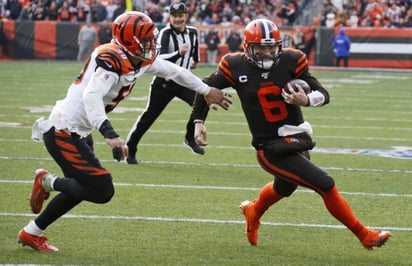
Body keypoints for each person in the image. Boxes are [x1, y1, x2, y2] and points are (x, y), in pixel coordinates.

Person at [17, 11, 231, 252]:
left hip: (81, 130)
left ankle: (31, 232)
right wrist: (110, 134)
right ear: (130, 40)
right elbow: (92, 96)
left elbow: (175, 71)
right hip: (64, 130)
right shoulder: (111, 57)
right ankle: (47, 181)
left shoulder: (139, 58)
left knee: (84, 186)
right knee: (101, 189)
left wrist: (204, 89)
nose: (152, 44)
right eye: (147, 39)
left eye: (153, 38)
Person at [189, 19, 391, 250]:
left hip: (296, 138)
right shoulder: (234, 65)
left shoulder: (291, 60)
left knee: (284, 188)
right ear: (247, 47)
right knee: (325, 184)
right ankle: (365, 235)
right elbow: (204, 88)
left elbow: (323, 94)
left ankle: (253, 211)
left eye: (271, 46)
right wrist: (198, 121)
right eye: (260, 48)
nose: (266, 52)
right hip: (270, 147)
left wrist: (306, 99)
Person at [125, 2, 204, 165]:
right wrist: (178, 53)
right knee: (149, 116)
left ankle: (190, 138)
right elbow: (159, 59)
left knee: (203, 101)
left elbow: (195, 57)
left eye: (180, 16)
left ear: (186, 16)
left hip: (184, 80)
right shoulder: (165, 33)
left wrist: (192, 61)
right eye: (174, 16)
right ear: (170, 17)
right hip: (165, 82)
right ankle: (130, 148)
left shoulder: (193, 33)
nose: (177, 19)